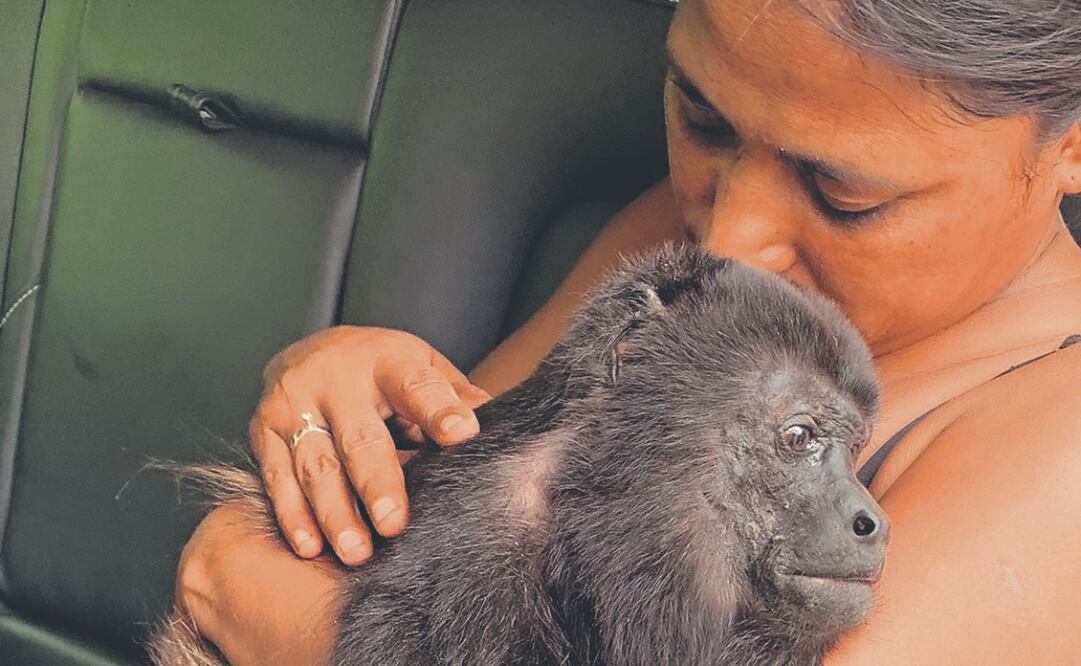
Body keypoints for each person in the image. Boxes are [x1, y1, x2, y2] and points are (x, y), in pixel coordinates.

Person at [173, 0, 1081, 663]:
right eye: (700, 118)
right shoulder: (672, 238)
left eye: (844, 197)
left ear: (1070, 146)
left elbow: (240, 582)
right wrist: (340, 411)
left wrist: (273, 599)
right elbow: (460, 523)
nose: (727, 241)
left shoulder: (1060, 448)